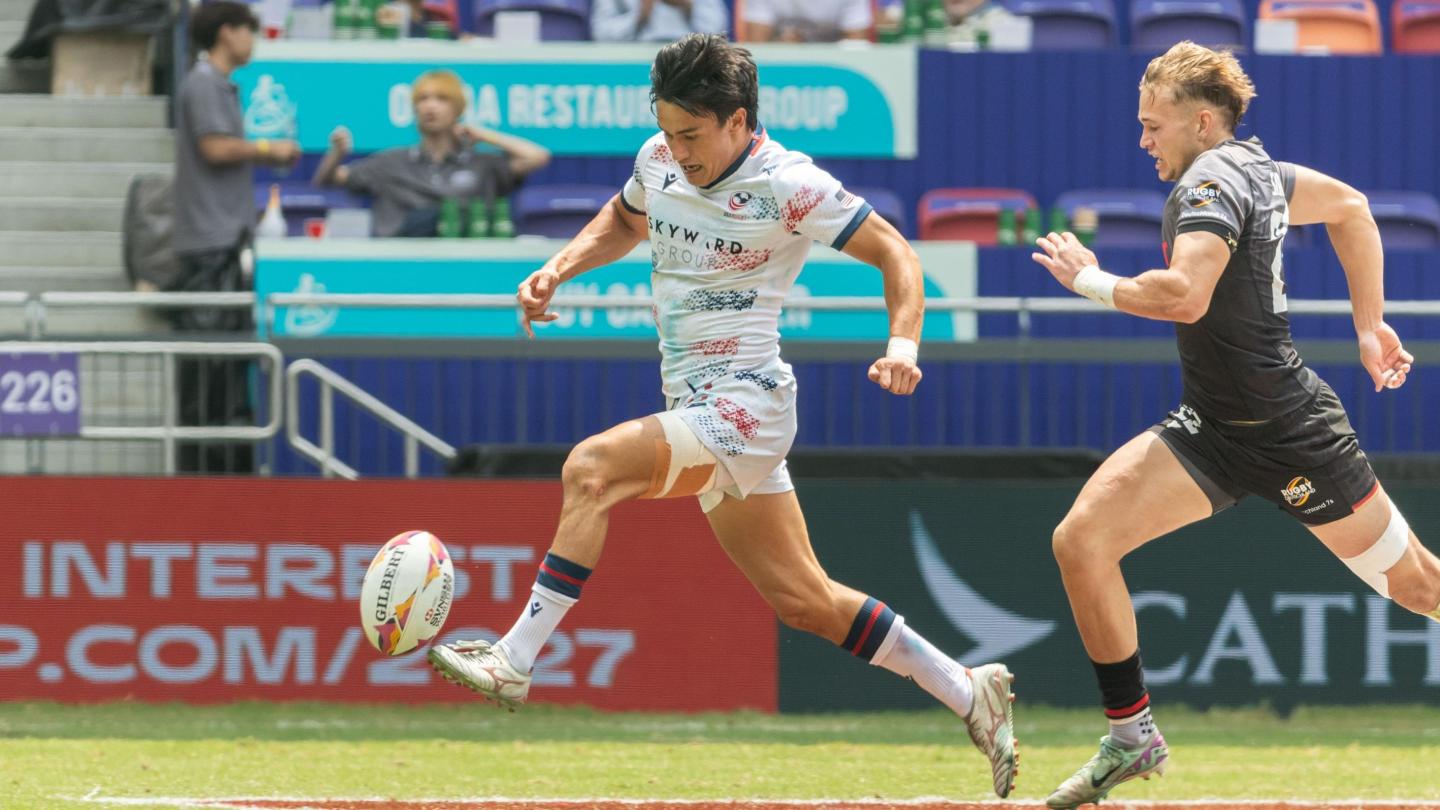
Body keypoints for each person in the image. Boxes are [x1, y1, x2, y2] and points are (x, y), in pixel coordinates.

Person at [427, 34, 1019, 799]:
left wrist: (903, 342)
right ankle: (971, 692)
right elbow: (624, 218)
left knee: (591, 469)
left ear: (738, 121)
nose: (676, 148)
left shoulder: (791, 184)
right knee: (804, 601)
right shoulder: (659, 159)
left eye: (692, 134)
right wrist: (557, 268)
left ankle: (514, 657)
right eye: (667, 130)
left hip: (747, 403)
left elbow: (896, 252)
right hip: (696, 402)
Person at [1030, 40, 1440, 809]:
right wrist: (1370, 324)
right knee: (1081, 539)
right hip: (1212, 429)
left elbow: (1183, 295)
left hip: (1289, 431)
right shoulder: (1258, 169)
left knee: (1421, 587)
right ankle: (1130, 736)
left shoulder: (1212, 180)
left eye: (1155, 126)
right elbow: (1352, 207)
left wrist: (1086, 277)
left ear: (1204, 122)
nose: (1144, 140)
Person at [173, 0, 299, 473]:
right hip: (210, 247)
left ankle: (223, 465)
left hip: (222, 242)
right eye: (248, 30)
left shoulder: (219, 84)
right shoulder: (204, 82)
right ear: (227, 32)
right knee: (208, 372)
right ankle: (204, 470)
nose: (254, 39)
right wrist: (271, 148)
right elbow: (215, 147)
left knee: (226, 370)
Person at [313, 70, 550, 238]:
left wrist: (484, 135)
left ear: (458, 109)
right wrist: (337, 153)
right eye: (423, 99)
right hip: (399, 264)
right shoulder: (390, 162)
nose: (430, 106)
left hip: (465, 265)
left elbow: (538, 156)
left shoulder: (483, 163)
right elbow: (327, 179)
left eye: (441, 99)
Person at [590, 0, 729, 42]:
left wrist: (688, 6)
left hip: (692, 58)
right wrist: (640, 17)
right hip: (633, 60)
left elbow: (718, 31)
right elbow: (600, 33)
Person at [742, 0, 871, 42]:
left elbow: (857, 45)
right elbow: (756, 48)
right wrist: (780, 48)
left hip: (836, 71)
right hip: (781, 69)